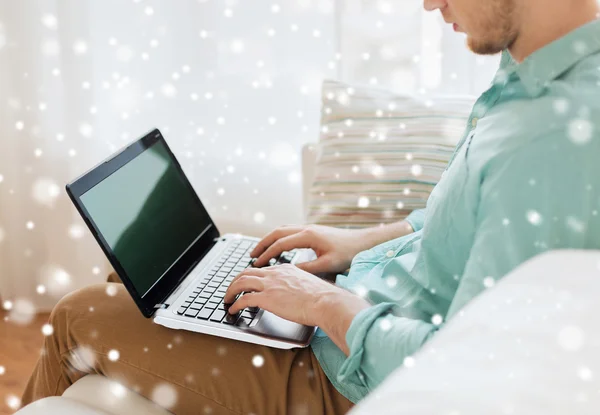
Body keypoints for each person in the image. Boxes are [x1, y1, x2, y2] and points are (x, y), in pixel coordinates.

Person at [22, 0, 600, 414]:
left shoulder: (552, 140)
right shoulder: (529, 76)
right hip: (355, 315)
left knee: (77, 313)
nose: (429, 5)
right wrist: (356, 244)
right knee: (148, 286)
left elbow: (473, 369)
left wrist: (326, 306)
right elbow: (455, 229)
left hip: (345, 380)